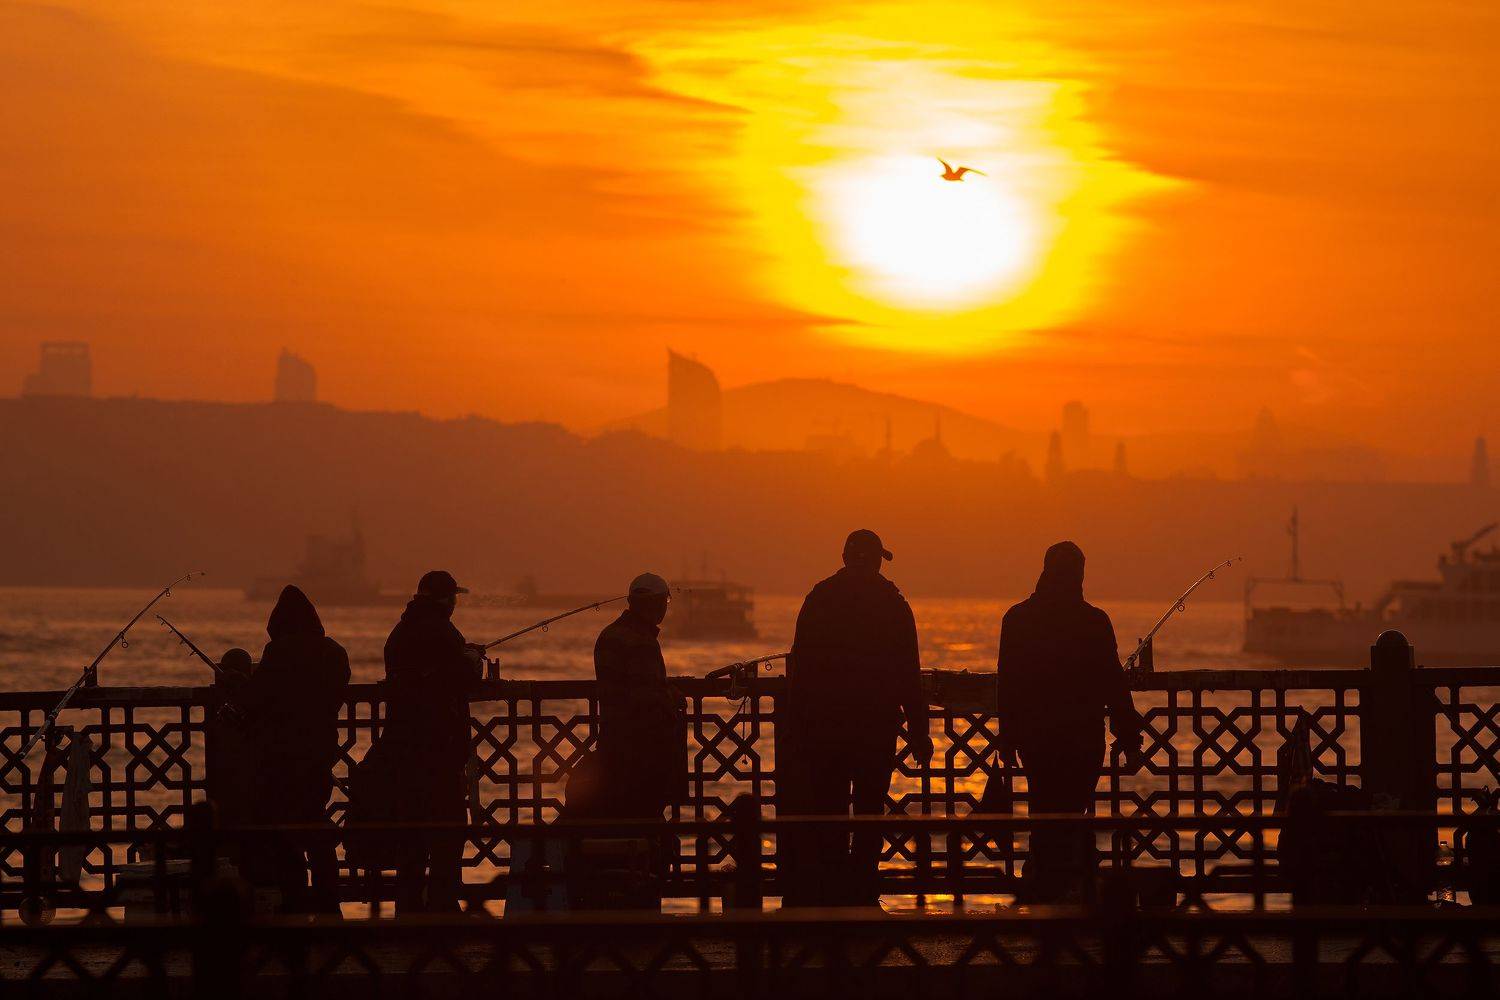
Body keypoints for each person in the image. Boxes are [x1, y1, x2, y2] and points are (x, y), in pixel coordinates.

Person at [781, 529, 932, 907]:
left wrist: (797, 725)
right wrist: (919, 730)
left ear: (846, 556)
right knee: (869, 810)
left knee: (829, 808)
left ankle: (832, 887)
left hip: (823, 728)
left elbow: (800, 668)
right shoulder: (892, 602)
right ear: (876, 559)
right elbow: (908, 672)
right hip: (874, 729)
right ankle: (863, 886)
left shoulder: (820, 597)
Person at [994, 541, 1143, 902]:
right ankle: (1073, 891)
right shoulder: (1094, 621)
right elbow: (1114, 683)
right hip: (1082, 741)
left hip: (1037, 740)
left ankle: (1046, 891)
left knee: (1044, 813)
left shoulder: (1018, 619)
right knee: (1075, 813)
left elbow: (1008, 683)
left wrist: (1009, 735)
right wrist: (1128, 735)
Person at [240, 586, 350, 914]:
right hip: (320, 753)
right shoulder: (334, 652)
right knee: (316, 822)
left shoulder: (278, 653)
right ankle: (330, 902)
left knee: (286, 830)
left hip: (282, 757)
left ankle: (295, 902)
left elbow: (257, 698)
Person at [381, 570, 483, 914]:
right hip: (440, 743)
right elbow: (461, 678)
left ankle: (407, 902)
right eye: (453, 597)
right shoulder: (442, 631)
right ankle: (442, 902)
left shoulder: (400, 632)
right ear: (446, 599)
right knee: (447, 826)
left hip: (403, 743)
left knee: (409, 829)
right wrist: (471, 659)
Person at [590, 573, 686, 819]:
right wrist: (671, 697)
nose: (665, 609)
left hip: (610, 745)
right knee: (644, 821)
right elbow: (644, 699)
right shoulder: (643, 642)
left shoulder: (608, 635)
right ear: (654, 604)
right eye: (665, 602)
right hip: (639, 754)